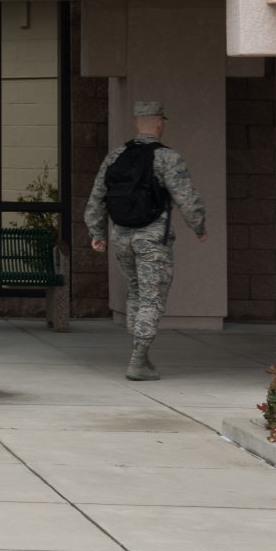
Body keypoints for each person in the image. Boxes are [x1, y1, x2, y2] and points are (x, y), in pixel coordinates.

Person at [85, 100, 207, 381]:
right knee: (152, 297)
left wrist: (97, 233)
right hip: (152, 238)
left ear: (135, 123)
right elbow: (187, 198)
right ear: (160, 123)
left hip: (121, 236)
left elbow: (96, 199)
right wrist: (199, 227)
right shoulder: (167, 158)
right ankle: (138, 360)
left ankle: (139, 350)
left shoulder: (115, 156)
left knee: (136, 290)